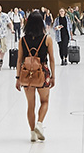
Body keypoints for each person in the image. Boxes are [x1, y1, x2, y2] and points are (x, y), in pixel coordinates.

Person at [15, 9, 55, 140]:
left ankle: (32, 133)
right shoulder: (47, 39)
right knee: (45, 101)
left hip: (27, 74)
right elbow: (52, 59)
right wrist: (53, 76)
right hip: (42, 73)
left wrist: (17, 78)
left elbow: (19, 60)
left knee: (30, 105)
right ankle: (39, 123)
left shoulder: (22, 40)